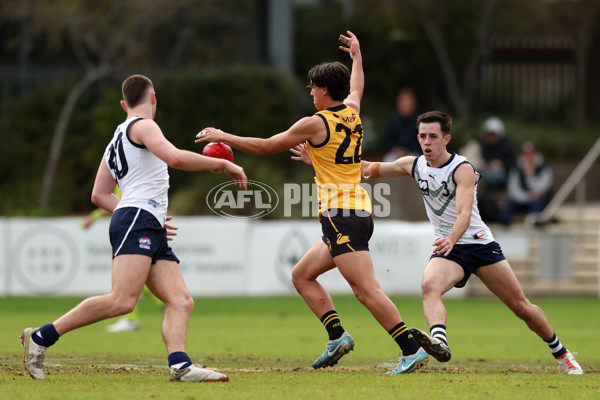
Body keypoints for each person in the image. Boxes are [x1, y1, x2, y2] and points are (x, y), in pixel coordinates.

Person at [196, 31, 428, 375]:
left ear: (323, 90)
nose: (310, 93)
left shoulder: (314, 123)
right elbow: (357, 88)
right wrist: (357, 57)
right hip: (355, 211)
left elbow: (264, 146)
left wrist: (221, 135)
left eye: (312, 88)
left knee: (366, 291)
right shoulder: (352, 112)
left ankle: (410, 349)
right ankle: (337, 336)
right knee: (302, 275)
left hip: (341, 215)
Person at [21, 74, 247, 382]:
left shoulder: (115, 139)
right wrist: (223, 164)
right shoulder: (145, 125)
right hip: (137, 220)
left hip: (143, 219)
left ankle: (181, 365)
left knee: (181, 301)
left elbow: (98, 195)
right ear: (153, 98)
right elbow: (175, 157)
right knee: (123, 301)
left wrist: (145, 214)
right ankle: (41, 337)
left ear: (122, 103)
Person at [360, 110, 583, 374]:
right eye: (422, 136)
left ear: (446, 139)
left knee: (522, 308)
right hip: (450, 251)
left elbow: (465, 214)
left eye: (433, 136)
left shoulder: (462, 168)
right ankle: (439, 342)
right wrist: (320, 159)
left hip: (479, 246)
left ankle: (562, 353)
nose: (427, 142)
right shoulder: (413, 164)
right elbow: (365, 169)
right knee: (429, 285)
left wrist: (451, 239)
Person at [81, 187, 165, 333]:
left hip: (129, 228)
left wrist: (93, 217)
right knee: (134, 279)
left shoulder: (121, 176)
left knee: (125, 279)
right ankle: (162, 304)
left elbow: (114, 202)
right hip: (134, 226)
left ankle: (132, 319)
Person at [499, 141, 553, 226]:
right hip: (522, 199)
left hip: (537, 202)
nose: (528, 157)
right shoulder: (516, 169)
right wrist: (527, 196)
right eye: (526, 154)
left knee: (537, 204)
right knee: (508, 207)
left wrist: (530, 175)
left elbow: (542, 189)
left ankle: (536, 228)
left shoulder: (544, 168)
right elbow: (513, 190)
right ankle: (504, 228)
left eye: (530, 154)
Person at [477, 116, 516, 222]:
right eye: (488, 134)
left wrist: (501, 164)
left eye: (492, 134)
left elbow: (513, 163)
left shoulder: (507, 146)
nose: (490, 137)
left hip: (504, 181)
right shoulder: (484, 146)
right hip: (488, 180)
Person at [382, 87, 421, 162]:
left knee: (413, 161)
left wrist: (406, 151)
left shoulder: (420, 120)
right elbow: (387, 140)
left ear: (413, 105)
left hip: (413, 153)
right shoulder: (393, 119)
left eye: (408, 103)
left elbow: (422, 142)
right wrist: (395, 150)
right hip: (395, 153)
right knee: (388, 161)